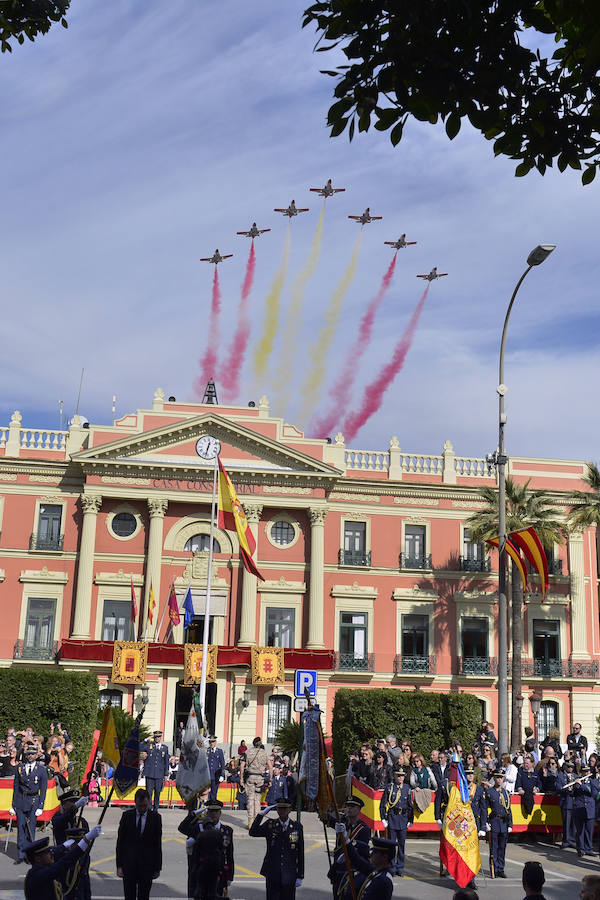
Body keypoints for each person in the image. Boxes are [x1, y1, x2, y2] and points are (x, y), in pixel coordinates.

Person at [23, 826, 101, 900]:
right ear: (38, 859)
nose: (52, 853)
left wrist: (64, 846)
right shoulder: (39, 875)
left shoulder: (39, 870)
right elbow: (64, 863)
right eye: (48, 852)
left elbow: (55, 851)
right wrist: (86, 839)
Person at [249, 797, 304, 899]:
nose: (282, 811)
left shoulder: (296, 827)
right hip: (272, 872)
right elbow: (252, 832)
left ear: (289, 810)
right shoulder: (270, 825)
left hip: (289, 874)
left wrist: (300, 875)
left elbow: (300, 853)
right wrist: (261, 815)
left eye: (284, 808)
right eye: (279, 808)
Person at [116, 787, 162, 900]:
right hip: (129, 865)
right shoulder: (127, 816)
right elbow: (120, 842)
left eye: (145, 806)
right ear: (135, 803)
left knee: (144, 896)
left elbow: (157, 844)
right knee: (129, 896)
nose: (142, 809)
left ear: (149, 802)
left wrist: (157, 867)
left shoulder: (155, 818)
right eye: (139, 806)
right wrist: (119, 865)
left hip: (147, 866)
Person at [183, 799, 234, 899]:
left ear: (220, 813)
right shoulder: (199, 828)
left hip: (218, 872)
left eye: (216, 811)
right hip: (201, 873)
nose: (213, 814)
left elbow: (229, 854)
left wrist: (229, 876)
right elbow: (182, 828)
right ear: (207, 813)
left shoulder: (227, 830)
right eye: (211, 811)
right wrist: (193, 814)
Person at [10, 743, 48, 863]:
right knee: (21, 828)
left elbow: (43, 789)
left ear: (37, 755)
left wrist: (41, 806)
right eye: (28, 754)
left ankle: (30, 855)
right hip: (21, 800)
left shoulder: (41, 770)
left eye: (32, 754)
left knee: (30, 829)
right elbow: (16, 787)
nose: (30, 756)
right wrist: (13, 805)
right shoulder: (20, 768)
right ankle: (21, 855)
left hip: (33, 801)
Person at [379, 767, 413, 877]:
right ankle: (392, 867)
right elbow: (383, 803)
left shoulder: (407, 788)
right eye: (398, 775)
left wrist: (410, 819)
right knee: (391, 845)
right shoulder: (390, 787)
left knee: (402, 845)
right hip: (392, 817)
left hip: (403, 818)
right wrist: (383, 819)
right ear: (395, 776)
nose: (400, 778)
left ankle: (400, 867)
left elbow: (410, 805)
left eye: (402, 776)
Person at [484, 769, 512, 878]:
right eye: (497, 777)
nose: (499, 780)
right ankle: (494, 868)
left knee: (502, 847)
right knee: (494, 847)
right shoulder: (489, 792)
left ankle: (501, 868)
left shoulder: (506, 792)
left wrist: (511, 824)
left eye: (501, 778)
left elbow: (509, 810)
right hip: (494, 821)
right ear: (494, 778)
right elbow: (485, 808)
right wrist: (486, 822)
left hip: (504, 822)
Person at [243, 736, 270, 828]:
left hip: (250, 777)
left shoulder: (248, 752)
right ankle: (257, 823)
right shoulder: (264, 753)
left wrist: (241, 779)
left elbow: (242, 766)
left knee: (250, 799)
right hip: (260, 778)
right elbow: (270, 766)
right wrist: (270, 779)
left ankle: (250, 822)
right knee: (257, 800)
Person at [142, 730, 169, 811]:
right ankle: (149, 809)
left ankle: (155, 809)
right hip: (150, 774)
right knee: (149, 793)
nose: (157, 738)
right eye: (156, 737)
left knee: (157, 793)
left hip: (159, 775)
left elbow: (166, 762)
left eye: (158, 737)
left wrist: (166, 774)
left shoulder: (165, 748)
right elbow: (139, 747)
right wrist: (146, 739)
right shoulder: (149, 746)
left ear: (161, 737)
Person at [573, 765, 597, 857]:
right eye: (584, 772)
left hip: (589, 809)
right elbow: (573, 793)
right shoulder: (576, 781)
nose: (586, 773)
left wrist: (581, 785)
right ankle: (580, 849)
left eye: (587, 772)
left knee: (589, 830)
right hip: (579, 808)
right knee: (580, 831)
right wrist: (573, 787)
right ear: (581, 772)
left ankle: (589, 849)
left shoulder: (592, 781)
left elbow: (593, 793)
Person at [557, 759, 577, 848]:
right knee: (566, 823)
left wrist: (574, 789)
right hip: (566, 802)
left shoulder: (576, 777)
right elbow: (558, 788)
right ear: (565, 766)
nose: (570, 768)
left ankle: (572, 840)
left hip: (574, 803)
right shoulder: (561, 776)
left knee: (574, 823)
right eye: (568, 767)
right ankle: (566, 840)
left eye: (572, 767)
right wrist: (566, 789)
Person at [207, 736, 226, 802]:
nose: (211, 743)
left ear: (215, 742)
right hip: (208, 775)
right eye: (210, 742)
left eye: (213, 742)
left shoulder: (219, 751)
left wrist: (222, 775)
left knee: (214, 792)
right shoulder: (207, 751)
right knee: (208, 793)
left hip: (216, 775)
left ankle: (213, 808)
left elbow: (223, 764)